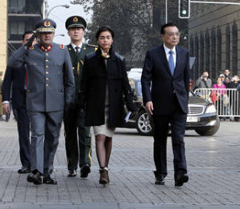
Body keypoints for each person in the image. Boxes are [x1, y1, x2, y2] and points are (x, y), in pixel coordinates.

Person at [8, 18, 75, 186]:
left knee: (52, 138)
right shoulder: (30, 50)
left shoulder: (61, 50)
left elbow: (70, 80)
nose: (47, 35)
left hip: (56, 103)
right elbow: (12, 62)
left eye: (50, 32)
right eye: (43, 33)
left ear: (53, 34)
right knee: (37, 135)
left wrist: (67, 101)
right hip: (35, 102)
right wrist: (27, 44)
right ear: (38, 34)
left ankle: (48, 172)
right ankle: (36, 171)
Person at [79, 26, 136, 185]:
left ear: (112, 40)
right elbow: (84, 83)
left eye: (108, 37)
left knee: (108, 138)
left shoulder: (118, 60)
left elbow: (125, 84)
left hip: (113, 105)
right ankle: (103, 170)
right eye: (102, 37)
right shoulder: (90, 59)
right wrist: (81, 103)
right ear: (97, 40)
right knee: (100, 136)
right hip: (96, 105)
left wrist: (131, 105)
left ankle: (106, 166)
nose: (105, 40)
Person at [141, 23, 191, 187]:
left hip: (178, 104)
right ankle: (160, 173)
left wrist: (185, 98)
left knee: (179, 139)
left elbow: (185, 79)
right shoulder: (153, 54)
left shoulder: (184, 53)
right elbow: (145, 79)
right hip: (159, 104)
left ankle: (180, 173)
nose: (174, 37)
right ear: (162, 36)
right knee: (160, 140)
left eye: (177, 34)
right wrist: (148, 99)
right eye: (170, 34)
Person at [64, 15, 94, 178]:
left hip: (85, 100)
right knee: (70, 133)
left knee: (85, 132)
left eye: (79, 29)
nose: (76, 31)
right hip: (68, 100)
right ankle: (72, 165)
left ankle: (85, 163)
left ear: (83, 31)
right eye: (73, 29)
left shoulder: (92, 50)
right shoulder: (63, 50)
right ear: (68, 32)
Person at [2, 31, 35, 173]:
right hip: (20, 102)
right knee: (23, 133)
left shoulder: (41, 58)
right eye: (27, 40)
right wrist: (5, 101)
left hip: (37, 102)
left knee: (38, 134)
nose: (30, 43)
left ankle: (38, 163)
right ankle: (26, 163)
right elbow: (7, 81)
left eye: (33, 40)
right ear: (23, 42)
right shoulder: (15, 59)